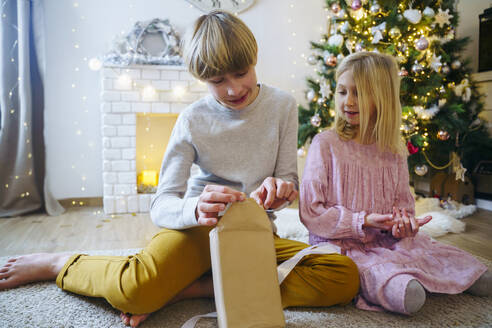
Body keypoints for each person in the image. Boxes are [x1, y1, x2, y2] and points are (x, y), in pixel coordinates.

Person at [0, 11, 359, 327]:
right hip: (199, 232)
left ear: (254, 59)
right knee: (136, 291)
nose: (234, 89)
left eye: (240, 72)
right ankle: (59, 262)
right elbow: (161, 204)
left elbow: (288, 182)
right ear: (201, 78)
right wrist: (196, 209)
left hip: (254, 234)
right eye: (218, 81)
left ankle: (191, 289)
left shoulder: (283, 105)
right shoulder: (192, 120)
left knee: (342, 276)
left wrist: (280, 190)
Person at [299, 51, 491, 315]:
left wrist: (402, 225)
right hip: (341, 246)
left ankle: (421, 272)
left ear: (382, 98)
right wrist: (362, 221)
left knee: (443, 257)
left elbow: (402, 205)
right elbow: (312, 212)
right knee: (405, 291)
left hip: (386, 241)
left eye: (360, 93)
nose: (349, 102)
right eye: (342, 92)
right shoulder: (326, 144)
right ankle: (399, 282)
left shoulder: (393, 149)